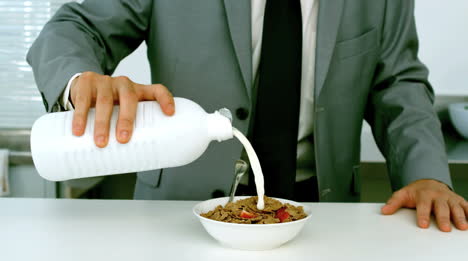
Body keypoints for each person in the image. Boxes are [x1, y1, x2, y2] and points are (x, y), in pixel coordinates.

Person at [27, 0, 467, 232]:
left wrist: (425, 173)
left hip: (322, 210)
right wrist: (80, 78)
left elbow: (398, 83)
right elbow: (76, 27)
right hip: (180, 214)